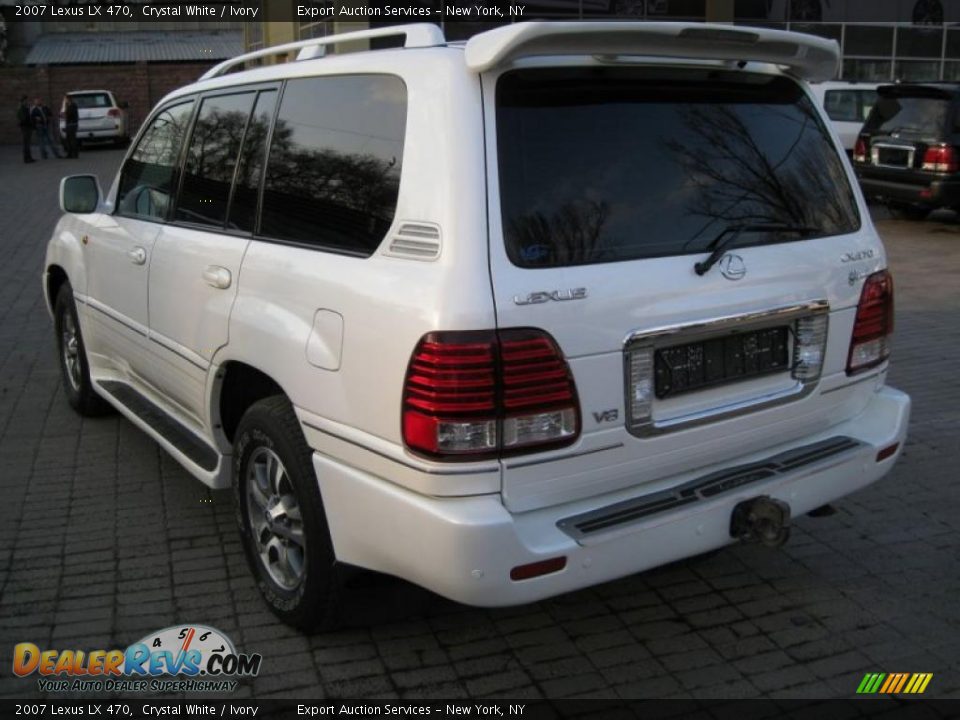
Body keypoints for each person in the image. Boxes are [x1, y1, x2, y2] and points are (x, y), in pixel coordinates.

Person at [17, 96, 34, 164]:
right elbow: (22, 118)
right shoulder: (21, 108)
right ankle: (26, 158)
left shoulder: (26, 108)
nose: (27, 102)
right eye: (26, 100)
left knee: (28, 143)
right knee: (26, 143)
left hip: (28, 127)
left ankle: (29, 157)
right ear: (23, 101)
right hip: (25, 127)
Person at [62, 94, 79, 159]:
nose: (64, 100)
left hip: (72, 124)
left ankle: (74, 154)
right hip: (69, 124)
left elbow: (70, 114)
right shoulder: (68, 105)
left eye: (65, 99)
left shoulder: (72, 105)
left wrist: (65, 114)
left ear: (68, 99)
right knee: (69, 139)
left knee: (72, 140)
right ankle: (70, 154)